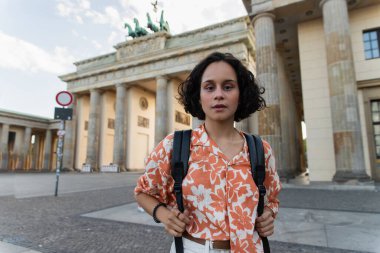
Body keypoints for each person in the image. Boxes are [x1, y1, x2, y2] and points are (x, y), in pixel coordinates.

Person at [135, 52, 281, 253]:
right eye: (209, 87)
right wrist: (163, 215)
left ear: (242, 93)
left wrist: (268, 215)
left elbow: (271, 199)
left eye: (228, 87)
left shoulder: (261, 150)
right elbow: (143, 192)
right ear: (199, 95)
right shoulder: (174, 145)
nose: (218, 94)